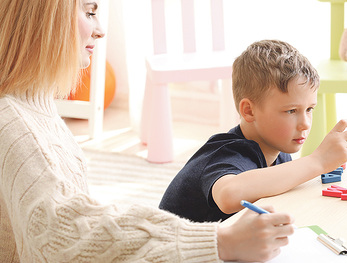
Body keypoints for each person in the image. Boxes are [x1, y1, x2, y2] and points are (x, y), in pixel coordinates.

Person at [0, 1, 295, 262]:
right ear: (44, 18)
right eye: (90, 12)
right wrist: (219, 242)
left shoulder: (37, 108)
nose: (101, 30)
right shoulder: (14, 125)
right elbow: (63, 235)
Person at [159, 40, 347, 223]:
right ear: (249, 111)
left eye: (309, 109)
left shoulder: (279, 149)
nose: (305, 124)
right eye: (291, 111)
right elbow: (229, 195)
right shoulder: (228, 154)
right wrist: (317, 161)